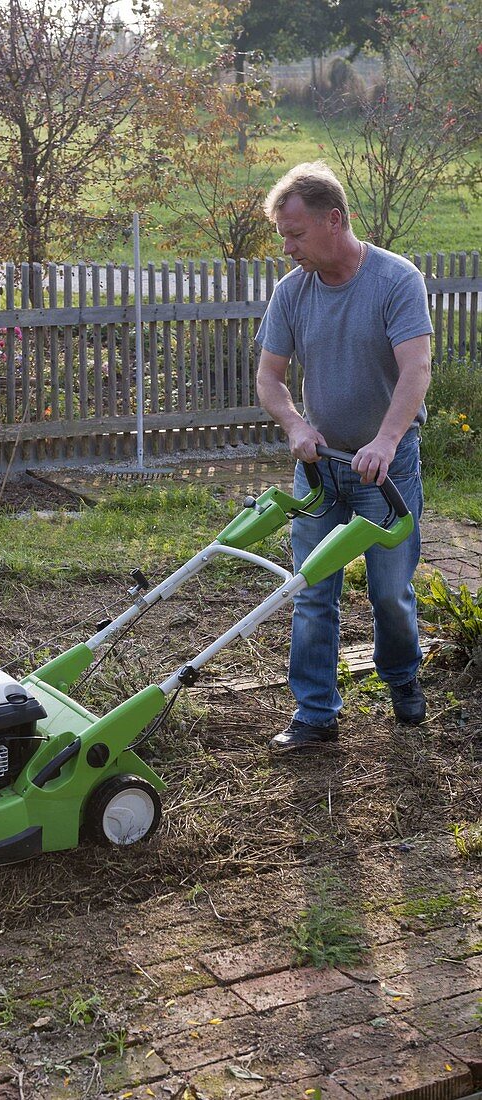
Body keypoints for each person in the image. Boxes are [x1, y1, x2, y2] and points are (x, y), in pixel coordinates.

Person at [255, 161, 433, 754]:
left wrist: (384, 441)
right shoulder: (291, 292)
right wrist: (295, 423)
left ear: (335, 220)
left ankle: (403, 678)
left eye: (296, 234)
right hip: (320, 470)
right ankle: (314, 713)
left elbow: (416, 370)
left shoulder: (394, 280)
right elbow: (269, 377)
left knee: (390, 592)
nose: (287, 248)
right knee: (311, 588)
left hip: (386, 471)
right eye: (283, 235)